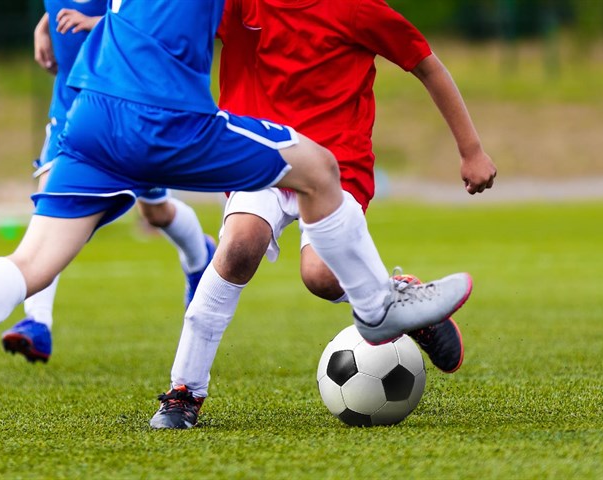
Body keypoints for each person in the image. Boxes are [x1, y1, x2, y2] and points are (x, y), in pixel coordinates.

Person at [0, 0, 485, 456]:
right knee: (318, 169)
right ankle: (376, 308)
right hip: (166, 118)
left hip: (93, 112)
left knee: (33, 259)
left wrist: (53, 18)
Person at [149, 0, 497, 429]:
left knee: (321, 276)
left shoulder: (357, 8)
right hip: (260, 157)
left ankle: (393, 297)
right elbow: (168, 24)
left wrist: (471, 150)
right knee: (240, 245)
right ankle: (185, 391)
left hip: (336, 166)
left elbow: (427, 65)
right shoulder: (237, 5)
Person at [0, 1, 217, 363]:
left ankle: (199, 257)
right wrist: (44, 25)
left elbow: (148, 20)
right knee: (51, 201)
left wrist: (96, 22)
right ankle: (36, 322)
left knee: (155, 212)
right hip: (70, 105)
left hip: (125, 105)